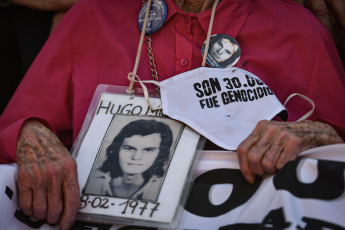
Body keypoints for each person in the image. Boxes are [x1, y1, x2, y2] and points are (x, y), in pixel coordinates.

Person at [0, 0, 344, 229]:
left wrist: (318, 133)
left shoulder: (298, 30)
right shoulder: (91, 16)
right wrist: (32, 135)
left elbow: (337, 146)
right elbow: (16, 127)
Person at [84, 119, 173, 201]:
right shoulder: (90, 180)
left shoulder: (166, 189)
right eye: (129, 148)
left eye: (148, 150)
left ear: (160, 153)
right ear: (117, 149)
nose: (136, 157)